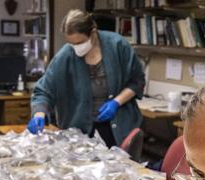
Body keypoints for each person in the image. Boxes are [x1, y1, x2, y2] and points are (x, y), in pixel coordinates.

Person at [28, 9, 145, 148]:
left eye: (80, 42)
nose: (76, 48)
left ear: (93, 33)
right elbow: (44, 90)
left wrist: (116, 102)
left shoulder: (117, 46)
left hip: (119, 127)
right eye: (72, 43)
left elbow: (137, 81)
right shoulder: (65, 56)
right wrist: (39, 114)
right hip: (80, 131)